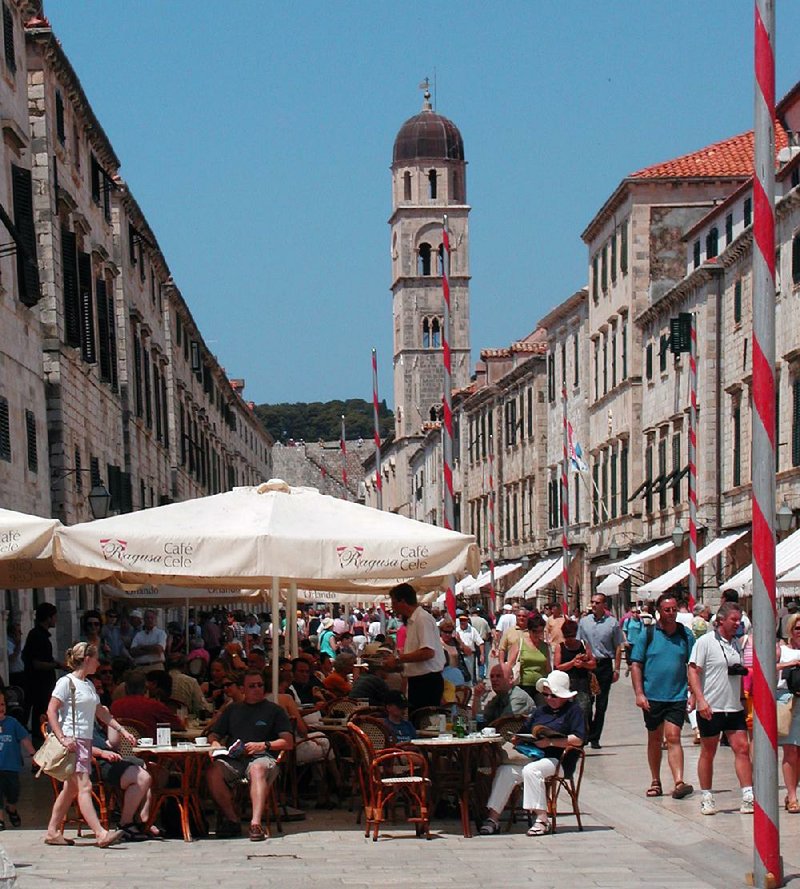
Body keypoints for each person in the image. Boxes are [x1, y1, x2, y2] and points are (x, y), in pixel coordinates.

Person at [44, 642, 136, 847]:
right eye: (96, 659)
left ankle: (52, 831)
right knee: (84, 786)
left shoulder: (88, 684)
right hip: (72, 742)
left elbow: (101, 712)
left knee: (71, 789)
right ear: (87, 660)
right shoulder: (65, 683)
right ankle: (100, 833)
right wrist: (62, 738)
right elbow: (51, 710)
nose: (98, 663)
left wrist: (121, 730)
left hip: (84, 741)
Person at [479, 670, 586, 836]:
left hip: (560, 759)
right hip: (535, 755)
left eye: (554, 696)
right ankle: (493, 819)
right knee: (505, 772)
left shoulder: (573, 711)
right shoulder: (541, 711)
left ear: (564, 696)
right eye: (546, 695)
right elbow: (525, 730)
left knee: (532, 770)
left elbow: (579, 739)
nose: (549, 699)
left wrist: (551, 742)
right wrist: (518, 738)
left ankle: (542, 819)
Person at [206, 669, 293, 841]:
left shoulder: (274, 710)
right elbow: (214, 734)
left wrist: (264, 745)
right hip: (235, 759)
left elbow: (288, 742)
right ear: (242, 689)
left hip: (263, 757)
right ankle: (232, 818)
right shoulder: (233, 710)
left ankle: (255, 824)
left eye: (260, 685)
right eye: (252, 686)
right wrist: (215, 743)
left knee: (257, 769)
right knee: (213, 772)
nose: (257, 689)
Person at [687, 601, 753, 815]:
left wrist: (743, 700)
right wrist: (700, 699)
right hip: (711, 706)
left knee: (742, 748)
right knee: (709, 750)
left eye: (739, 620)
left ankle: (748, 794)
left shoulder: (736, 644)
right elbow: (693, 671)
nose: (737, 624)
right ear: (721, 621)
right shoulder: (705, 642)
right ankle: (706, 795)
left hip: (733, 706)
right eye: (734, 620)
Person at [629, 593, 694, 800]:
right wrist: (639, 693)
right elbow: (636, 665)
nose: (672, 613)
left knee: (674, 736)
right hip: (653, 695)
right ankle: (655, 780)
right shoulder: (647, 635)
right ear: (659, 611)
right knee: (655, 738)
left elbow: (692, 666)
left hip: (677, 695)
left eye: (674, 609)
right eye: (668, 609)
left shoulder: (685, 635)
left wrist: (693, 692)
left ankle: (679, 781)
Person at [384, 583, 445, 713]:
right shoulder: (412, 621)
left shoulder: (422, 619)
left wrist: (398, 659)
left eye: (394, 602)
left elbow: (428, 652)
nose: (393, 607)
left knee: (423, 722)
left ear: (403, 601)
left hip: (427, 681)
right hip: (418, 680)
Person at [577, 592, 624, 749]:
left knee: (602, 704)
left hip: (604, 665)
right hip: (588, 664)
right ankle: (587, 733)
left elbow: (618, 646)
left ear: (604, 605)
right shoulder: (584, 622)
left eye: (597, 602)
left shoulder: (613, 623)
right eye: (592, 602)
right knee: (586, 703)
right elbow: (580, 642)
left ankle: (595, 737)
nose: (594, 605)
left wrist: (616, 669)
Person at [22, 602, 64, 745]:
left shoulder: (39, 635)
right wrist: (57, 665)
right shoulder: (38, 636)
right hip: (38, 685)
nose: (56, 619)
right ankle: (39, 745)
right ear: (48, 618)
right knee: (40, 716)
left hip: (41, 684)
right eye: (54, 616)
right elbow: (37, 663)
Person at [110, 671, 184, 737]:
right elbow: (178, 726)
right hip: (149, 750)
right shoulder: (154, 705)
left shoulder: (114, 706)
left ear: (126, 688)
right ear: (145, 688)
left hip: (122, 749)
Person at [0, 688, 35, 829]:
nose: (0, 708)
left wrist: (34, 754)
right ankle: (1, 819)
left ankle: (11, 808)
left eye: (2, 704)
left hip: (11, 766)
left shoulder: (12, 723)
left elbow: (24, 739)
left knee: (13, 792)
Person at [776, 613, 800, 813]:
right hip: (787, 700)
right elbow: (768, 668)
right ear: (790, 630)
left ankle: (792, 791)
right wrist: (789, 665)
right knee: (790, 750)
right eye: (797, 628)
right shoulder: (781, 650)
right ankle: (792, 796)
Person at [553, 618, 595, 728]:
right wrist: (572, 662)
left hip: (582, 683)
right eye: (567, 636)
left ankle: (582, 734)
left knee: (584, 709)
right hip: (565, 683)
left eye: (572, 636)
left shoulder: (583, 645)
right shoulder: (560, 647)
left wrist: (583, 664)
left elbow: (593, 664)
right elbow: (557, 667)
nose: (570, 639)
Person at [509, 614, 551, 705]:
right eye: (534, 631)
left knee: (540, 712)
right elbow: (510, 664)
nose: (537, 634)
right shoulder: (520, 643)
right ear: (529, 630)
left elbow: (548, 668)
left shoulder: (544, 647)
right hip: (523, 686)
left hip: (540, 686)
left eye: (540, 631)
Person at [455, 612, 484, 684]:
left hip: (469, 656)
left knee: (469, 675)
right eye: (461, 620)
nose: (462, 622)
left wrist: (482, 655)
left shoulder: (472, 630)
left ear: (467, 620)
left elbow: (480, 642)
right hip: (459, 655)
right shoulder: (456, 630)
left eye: (464, 620)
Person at [470, 607, 492, 680]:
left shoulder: (469, 620)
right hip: (481, 642)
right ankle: (481, 675)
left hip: (472, 642)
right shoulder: (483, 621)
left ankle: (473, 677)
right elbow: (489, 632)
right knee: (481, 658)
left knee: (472, 660)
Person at [621, 606, 645, 674]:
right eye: (633, 612)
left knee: (636, 659)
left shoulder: (640, 621)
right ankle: (630, 668)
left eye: (637, 612)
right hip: (629, 642)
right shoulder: (627, 621)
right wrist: (625, 641)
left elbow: (642, 632)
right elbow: (624, 631)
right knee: (629, 659)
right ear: (631, 613)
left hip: (637, 643)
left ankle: (634, 671)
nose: (635, 614)